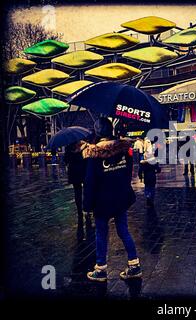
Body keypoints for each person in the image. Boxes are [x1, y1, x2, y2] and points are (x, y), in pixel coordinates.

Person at [83, 117, 141, 282]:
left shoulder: (94, 153)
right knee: (123, 230)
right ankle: (134, 265)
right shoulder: (124, 149)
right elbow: (128, 173)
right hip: (120, 198)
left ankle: (100, 269)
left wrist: (87, 205)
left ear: (98, 132)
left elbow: (90, 182)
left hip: (102, 201)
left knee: (101, 233)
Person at [64, 141, 88, 238]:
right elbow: (86, 160)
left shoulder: (68, 148)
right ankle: (86, 208)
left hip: (74, 173)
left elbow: (65, 160)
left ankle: (79, 210)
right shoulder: (82, 148)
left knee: (77, 192)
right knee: (86, 191)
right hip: (83, 172)